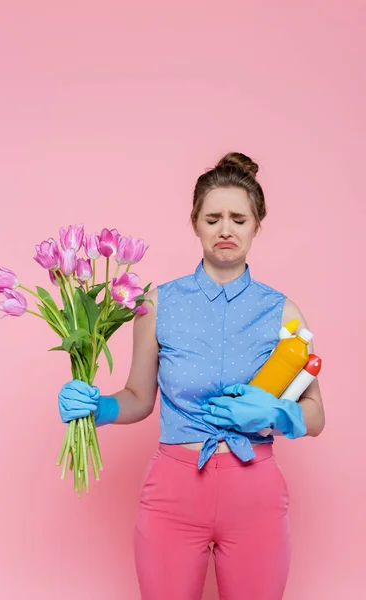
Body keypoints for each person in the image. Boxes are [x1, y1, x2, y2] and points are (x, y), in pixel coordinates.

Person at [58, 152, 325, 600]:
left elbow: (315, 415)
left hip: (255, 493)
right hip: (173, 494)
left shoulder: (284, 311)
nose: (226, 229)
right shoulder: (157, 303)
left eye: (239, 218)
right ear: (195, 223)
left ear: (257, 225)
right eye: (213, 217)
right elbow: (139, 397)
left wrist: (279, 413)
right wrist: (99, 407)